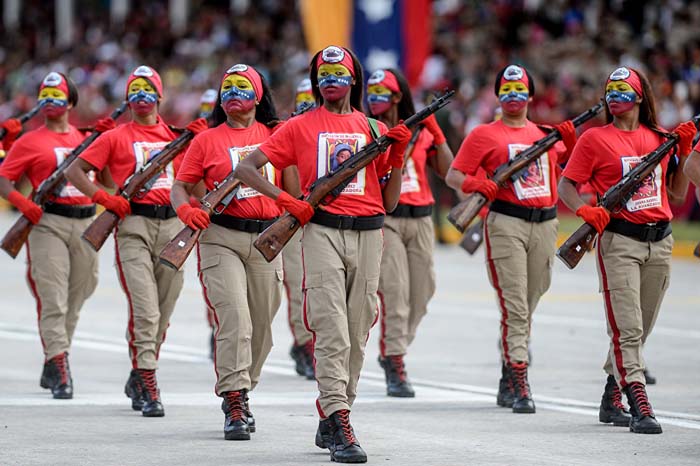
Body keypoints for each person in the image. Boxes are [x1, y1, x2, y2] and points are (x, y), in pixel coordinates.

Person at [233, 45, 410, 464]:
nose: (331, 80)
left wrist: (397, 155)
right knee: (331, 329)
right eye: (324, 75)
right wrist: (287, 200)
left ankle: (333, 416)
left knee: (359, 328)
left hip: (369, 232)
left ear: (353, 79)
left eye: (339, 73)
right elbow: (245, 169)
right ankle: (339, 415)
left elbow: (388, 202)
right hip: (323, 232)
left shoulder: (371, 126)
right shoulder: (298, 126)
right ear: (316, 83)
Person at [559, 66, 695, 434]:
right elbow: (566, 186)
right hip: (619, 242)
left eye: (623, 89)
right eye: (610, 90)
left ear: (639, 96)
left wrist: (681, 151)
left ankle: (610, 393)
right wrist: (584, 210)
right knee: (628, 329)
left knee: (642, 326)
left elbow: (678, 193)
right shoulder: (593, 139)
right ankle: (639, 401)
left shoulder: (660, 138)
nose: (615, 96)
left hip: (660, 241)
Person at [66, 65, 208, 417]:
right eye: (134, 90)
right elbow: (74, 170)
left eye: (148, 89)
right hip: (133, 227)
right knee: (145, 308)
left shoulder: (178, 138)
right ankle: (148, 377)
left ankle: (139, 369)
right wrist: (104, 199)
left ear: (160, 95)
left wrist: (200, 140)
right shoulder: (114, 136)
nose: (141, 96)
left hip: (173, 228)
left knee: (164, 308)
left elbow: (199, 180)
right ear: (127, 97)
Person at [171, 63, 293, 441]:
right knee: (235, 319)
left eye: (242, 86)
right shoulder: (205, 140)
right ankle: (234, 398)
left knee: (262, 330)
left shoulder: (277, 135)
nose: (232, 92)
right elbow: (181, 187)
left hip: (267, 240)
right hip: (220, 237)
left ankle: (244, 387)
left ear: (259, 95)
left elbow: (293, 188)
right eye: (226, 87)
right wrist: (186, 210)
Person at [445, 64, 577, 414]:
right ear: (498, 96)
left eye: (520, 90)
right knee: (515, 305)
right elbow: (454, 175)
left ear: (531, 96)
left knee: (531, 299)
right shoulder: (483, 134)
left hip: (546, 224)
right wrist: (477, 185)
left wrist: (571, 141)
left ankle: (509, 366)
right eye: (507, 91)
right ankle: (520, 377)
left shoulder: (545, 134)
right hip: (506, 222)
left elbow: (571, 170)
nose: (514, 97)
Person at [0, 72, 114, 399]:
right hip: (47, 222)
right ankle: (60, 364)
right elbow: (4, 178)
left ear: (71, 101)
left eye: (57, 95)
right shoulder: (29, 140)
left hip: (84, 222)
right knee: (53, 297)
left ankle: (54, 357)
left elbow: (105, 178)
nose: (50, 101)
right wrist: (23, 203)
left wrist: (103, 142)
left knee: (81, 290)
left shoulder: (84, 137)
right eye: (45, 95)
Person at [366, 68, 453, 397]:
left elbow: (448, 171)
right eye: (370, 93)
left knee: (423, 291)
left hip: (421, 218)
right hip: (388, 217)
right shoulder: (368, 128)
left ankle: (395, 346)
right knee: (395, 293)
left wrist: (436, 132)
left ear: (398, 96)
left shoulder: (420, 129)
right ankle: (395, 360)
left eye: (381, 93)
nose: (374, 99)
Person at [284, 78, 320, 380]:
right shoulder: (288, 131)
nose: (307, 103)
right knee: (298, 286)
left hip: (327, 220)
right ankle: (305, 344)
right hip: (294, 220)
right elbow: (293, 187)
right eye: (302, 98)